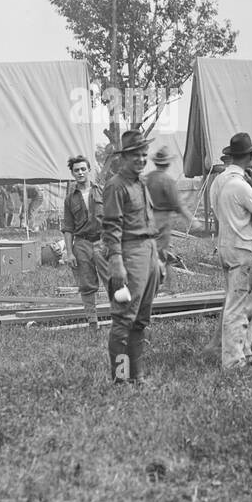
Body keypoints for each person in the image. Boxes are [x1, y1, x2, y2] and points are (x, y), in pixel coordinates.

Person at [101, 130, 162, 386]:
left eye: (144, 155)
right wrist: (117, 263)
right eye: (136, 155)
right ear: (124, 157)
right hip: (129, 253)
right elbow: (111, 227)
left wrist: (156, 258)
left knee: (140, 320)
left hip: (148, 251)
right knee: (124, 319)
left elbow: (148, 223)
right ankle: (120, 378)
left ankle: (137, 376)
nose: (141, 159)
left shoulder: (141, 183)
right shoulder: (116, 185)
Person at [210, 132, 252, 371]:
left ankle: (244, 351)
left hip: (226, 245)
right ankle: (234, 360)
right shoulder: (242, 185)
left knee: (244, 304)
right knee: (239, 306)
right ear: (250, 156)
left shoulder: (218, 181)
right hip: (244, 247)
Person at [62, 154, 108, 329]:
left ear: (89, 170)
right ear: (72, 174)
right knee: (87, 285)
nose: (80, 173)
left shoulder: (103, 191)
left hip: (102, 242)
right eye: (76, 170)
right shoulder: (69, 199)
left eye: (83, 169)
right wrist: (69, 252)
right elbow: (68, 227)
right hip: (81, 245)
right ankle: (92, 323)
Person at [144, 146, 183, 268]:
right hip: (163, 218)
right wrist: (191, 219)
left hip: (147, 217)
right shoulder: (168, 180)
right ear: (168, 164)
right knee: (160, 249)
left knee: (150, 245)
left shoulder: (147, 178)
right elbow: (176, 204)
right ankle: (158, 274)